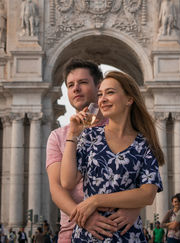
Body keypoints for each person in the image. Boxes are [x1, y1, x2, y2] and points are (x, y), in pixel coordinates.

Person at [60, 70, 164, 241]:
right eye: (100, 94)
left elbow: (148, 194)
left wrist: (96, 200)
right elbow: (67, 181)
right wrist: (73, 135)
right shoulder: (90, 136)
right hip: (88, 236)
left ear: (129, 99)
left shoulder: (145, 143)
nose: (102, 99)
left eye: (110, 92)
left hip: (127, 236)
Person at [46, 58, 142, 242]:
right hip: (72, 230)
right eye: (70, 84)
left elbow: (141, 180)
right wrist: (85, 218)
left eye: (83, 82)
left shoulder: (124, 129)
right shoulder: (57, 136)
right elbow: (57, 189)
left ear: (99, 86)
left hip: (119, 230)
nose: (76, 89)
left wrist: (134, 208)